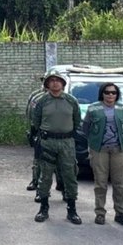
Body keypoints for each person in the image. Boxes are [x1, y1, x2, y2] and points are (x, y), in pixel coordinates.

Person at [30, 69, 82, 224]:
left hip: (67, 142)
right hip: (47, 142)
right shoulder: (42, 101)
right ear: (47, 84)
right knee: (45, 175)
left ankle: (72, 209)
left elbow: (76, 120)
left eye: (58, 80)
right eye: (51, 81)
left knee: (70, 175)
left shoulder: (71, 101)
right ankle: (43, 208)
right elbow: (36, 120)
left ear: (63, 84)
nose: (55, 83)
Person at [82, 82, 123, 226]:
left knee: (120, 183)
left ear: (117, 95)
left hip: (120, 150)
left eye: (113, 92)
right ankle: (100, 213)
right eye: (107, 92)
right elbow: (86, 128)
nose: (110, 95)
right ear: (102, 94)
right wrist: (93, 142)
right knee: (100, 183)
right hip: (99, 150)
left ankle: (121, 213)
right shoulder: (93, 108)